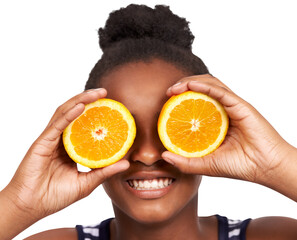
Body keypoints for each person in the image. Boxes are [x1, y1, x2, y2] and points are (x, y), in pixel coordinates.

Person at [0, 4, 297, 240]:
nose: (146, 154)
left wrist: (275, 164)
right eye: (123, 133)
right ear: (88, 139)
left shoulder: (272, 236)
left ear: (209, 132)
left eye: (167, 129)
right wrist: (20, 204)